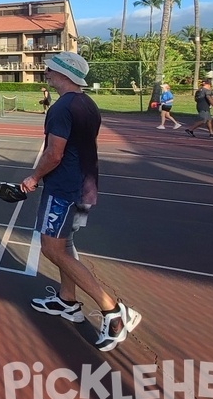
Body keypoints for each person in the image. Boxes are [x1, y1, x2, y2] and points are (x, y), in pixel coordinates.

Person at [19, 52, 141, 352]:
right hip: (84, 185)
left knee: (51, 248)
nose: (45, 72)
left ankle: (112, 310)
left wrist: (33, 178)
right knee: (65, 245)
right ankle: (67, 300)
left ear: (62, 73)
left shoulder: (61, 108)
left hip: (63, 189)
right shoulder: (87, 104)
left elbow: (54, 153)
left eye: (50, 68)